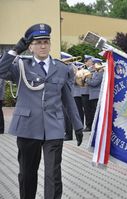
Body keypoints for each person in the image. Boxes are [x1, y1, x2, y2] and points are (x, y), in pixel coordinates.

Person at [0, 23, 83, 199]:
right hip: (28, 127)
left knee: (54, 174)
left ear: (50, 44)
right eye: (38, 42)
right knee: (27, 173)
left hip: (53, 127)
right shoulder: (20, 66)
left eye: (46, 41)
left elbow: (68, 99)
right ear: (30, 46)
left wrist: (77, 125)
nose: (43, 45)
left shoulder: (61, 68)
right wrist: (14, 51)